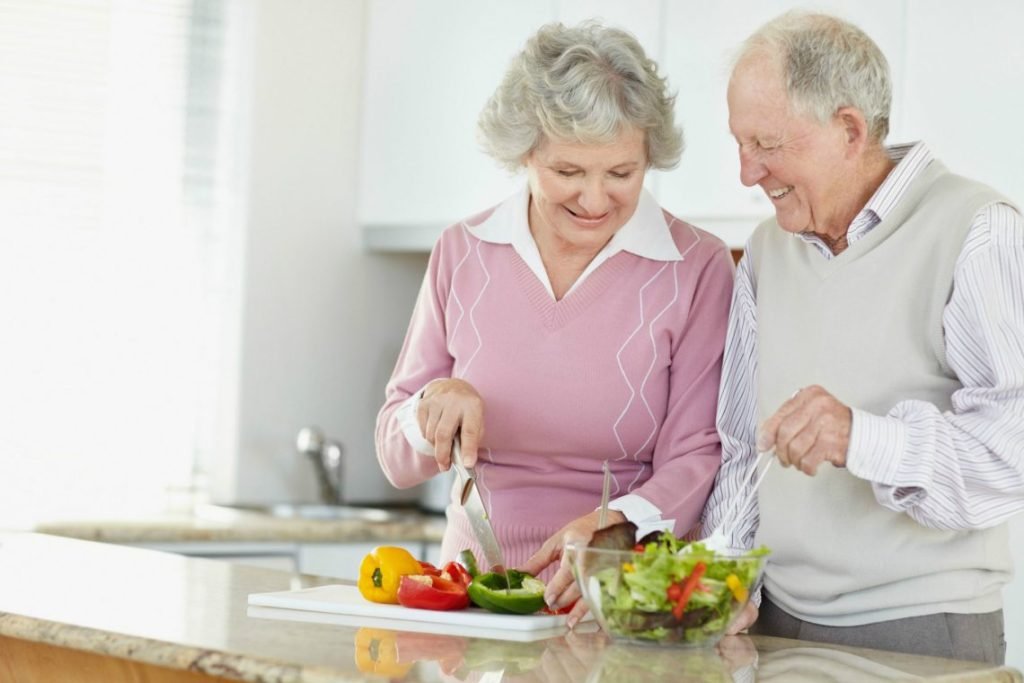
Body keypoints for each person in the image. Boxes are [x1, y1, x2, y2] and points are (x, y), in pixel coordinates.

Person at [375, 21, 735, 627]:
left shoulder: (695, 267)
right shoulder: (464, 251)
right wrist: (431, 407)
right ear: (524, 152)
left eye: (621, 173)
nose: (594, 199)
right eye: (568, 171)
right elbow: (394, 451)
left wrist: (616, 527)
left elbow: (697, 457)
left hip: (616, 597)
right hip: (470, 598)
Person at [701, 11, 1024, 664]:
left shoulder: (977, 229)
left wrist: (862, 438)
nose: (746, 172)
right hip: (771, 621)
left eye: (766, 143)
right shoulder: (765, 250)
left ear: (848, 129)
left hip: (922, 628)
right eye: (739, 143)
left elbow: (1012, 447)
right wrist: (724, 579)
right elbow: (740, 447)